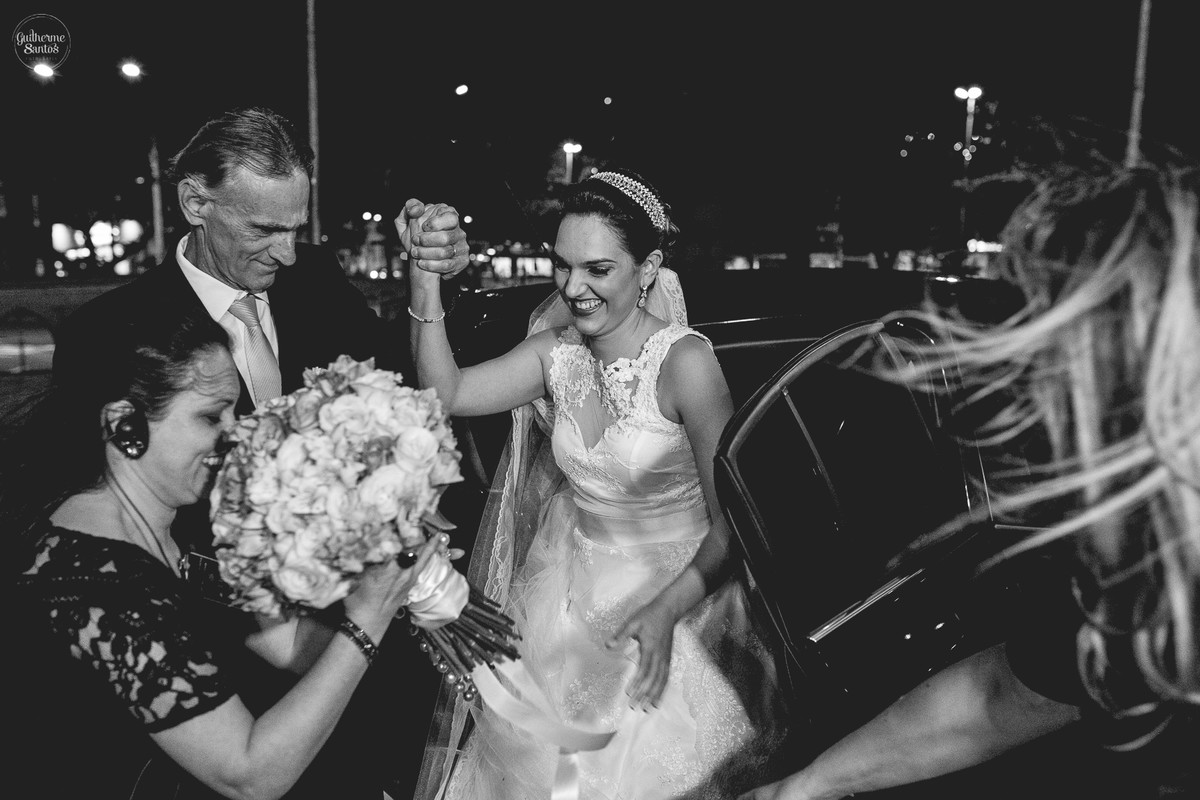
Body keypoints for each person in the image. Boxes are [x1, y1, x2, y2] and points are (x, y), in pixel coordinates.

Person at [48, 105, 472, 800]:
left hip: (355, 662)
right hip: (216, 685)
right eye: (264, 229)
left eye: (296, 228)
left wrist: (430, 277)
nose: (286, 251)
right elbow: (117, 528)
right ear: (195, 202)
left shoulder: (316, 282)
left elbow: (399, 398)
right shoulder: (109, 338)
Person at [738, 160, 1198, 799]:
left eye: (1063, 356)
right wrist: (806, 784)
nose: (1036, 399)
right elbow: (1006, 694)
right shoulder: (1128, 560)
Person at [404, 169, 786, 799]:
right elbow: (445, 394)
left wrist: (665, 611)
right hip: (569, 598)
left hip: (681, 597)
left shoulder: (686, 363)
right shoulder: (556, 354)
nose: (574, 288)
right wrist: (425, 280)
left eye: (598, 270)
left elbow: (733, 523)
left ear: (649, 269)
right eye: (562, 266)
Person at [9, 307, 447, 799]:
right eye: (209, 415)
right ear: (126, 425)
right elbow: (248, 775)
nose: (235, 431)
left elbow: (288, 646)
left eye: (234, 411)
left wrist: (396, 588)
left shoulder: (188, 526)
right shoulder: (97, 581)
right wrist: (366, 622)